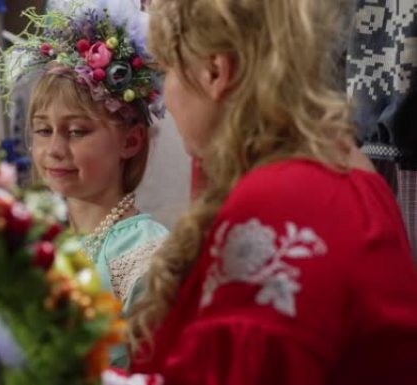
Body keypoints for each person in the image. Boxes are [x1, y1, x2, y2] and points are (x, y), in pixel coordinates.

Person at [102, 0, 417, 384]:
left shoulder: (276, 202)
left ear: (214, 72)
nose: (167, 96)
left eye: (166, 72)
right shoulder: (348, 169)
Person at [10, 0, 168, 367]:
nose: (55, 150)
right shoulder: (35, 233)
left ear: (130, 141)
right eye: (43, 131)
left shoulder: (144, 252)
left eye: (77, 131)